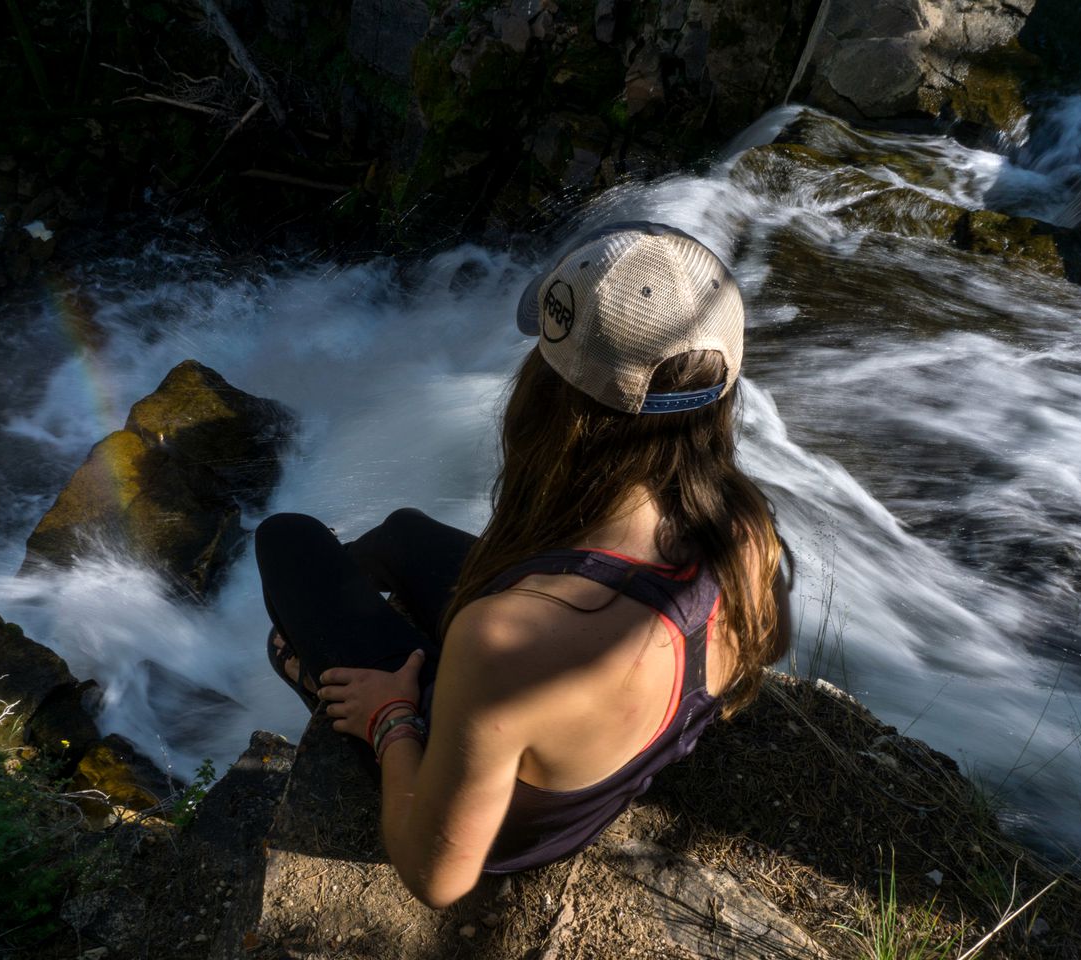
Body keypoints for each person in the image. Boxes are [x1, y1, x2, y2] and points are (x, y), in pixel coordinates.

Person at [255, 221, 791, 909]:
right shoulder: (747, 533)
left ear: (553, 400)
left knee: (287, 538)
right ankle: (361, 604)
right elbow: (760, 644)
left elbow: (437, 878)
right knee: (403, 532)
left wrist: (392, 720)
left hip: (508, 836)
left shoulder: (504, 638)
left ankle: (312, 653)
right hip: (608, 730)